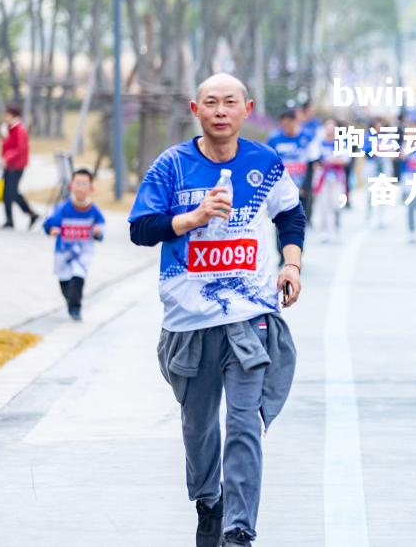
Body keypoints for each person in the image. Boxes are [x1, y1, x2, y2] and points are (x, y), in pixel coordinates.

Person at [128, 73, 305, 546]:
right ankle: (210, 502)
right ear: (195, 110)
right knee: (199, 426)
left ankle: (239, 528)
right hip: (188, 323)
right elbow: (140, 228)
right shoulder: (172, 167)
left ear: (247, 109)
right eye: (212, 103)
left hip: (249, 317)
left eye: (230, 102)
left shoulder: (265, 164)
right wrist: (194, 217)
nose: (221, 111)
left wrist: (291, 264)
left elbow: (290, 213)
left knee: (245, 424)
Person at [42, 168, 105, 321]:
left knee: (78, 275)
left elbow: (100, 228)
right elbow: (49, 222)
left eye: (84, 184)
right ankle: (71, 302)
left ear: (91, 187)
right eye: (77, 183)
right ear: (71, 186)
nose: (80, 187)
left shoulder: (93, 210)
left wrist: (97, 232)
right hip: (63, 252)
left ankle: (76, 308)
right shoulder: (63, 208)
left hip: (84, 251)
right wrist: (52, 229)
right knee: (64, 282)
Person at [0, 105, 39, 230]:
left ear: (14, 116)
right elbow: (6, 147)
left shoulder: (19, 129)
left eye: (7, 115)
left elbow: (20, 149)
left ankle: (31, 214)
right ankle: (9, 220)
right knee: (6, 193)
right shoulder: (8, 129)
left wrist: (7, 158)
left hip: (17, 166)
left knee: (12, 192)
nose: (5, 117)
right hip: (8, 165)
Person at [312, 119, 347, 243]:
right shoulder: (318, 142)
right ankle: (324, 231)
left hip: (337, 177)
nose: (330, 130)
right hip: (322, 178)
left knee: (337, 204)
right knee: (323, 205)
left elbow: (345, 160)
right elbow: (314, 160)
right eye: (328, 127)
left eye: (332, 128)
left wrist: (331, 161)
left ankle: (337, 228)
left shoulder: (340, 143)